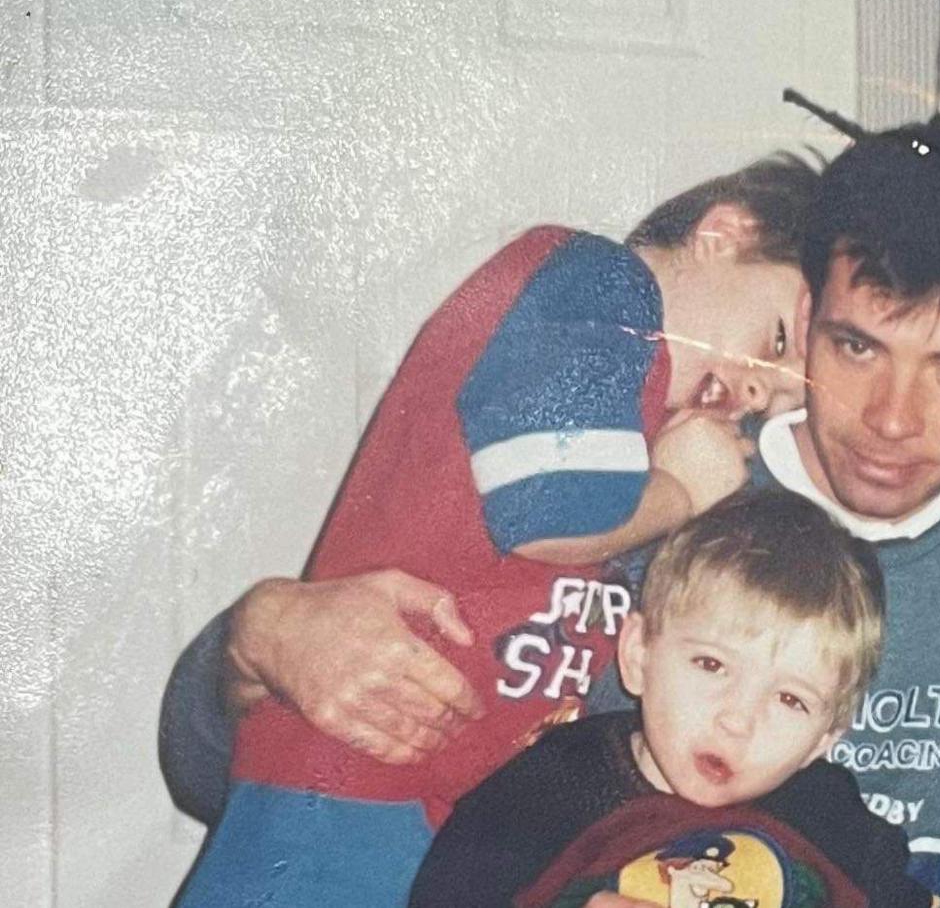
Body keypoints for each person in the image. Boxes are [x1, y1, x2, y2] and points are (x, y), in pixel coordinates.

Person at [163, 116, 940, 908]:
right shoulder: (657, 491)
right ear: (803, 323)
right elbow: (243, 767)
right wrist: (251, 644)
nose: (894, 420)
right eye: (856, 348)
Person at [175, 157, 822, 907]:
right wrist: (678, 490)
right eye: (775, 343)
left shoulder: (651, 422)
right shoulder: (601, 288)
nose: (753, 390)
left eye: (773, 399)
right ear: (723, 234)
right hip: (348, 770)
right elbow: (550, 510)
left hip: (442, 813)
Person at [410, 489, 934, 908]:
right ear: (638, 654)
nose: (738, 719)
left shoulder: (831, 819)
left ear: (825, 737)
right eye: (711, 665)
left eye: (791, 700)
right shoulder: (548, 791)